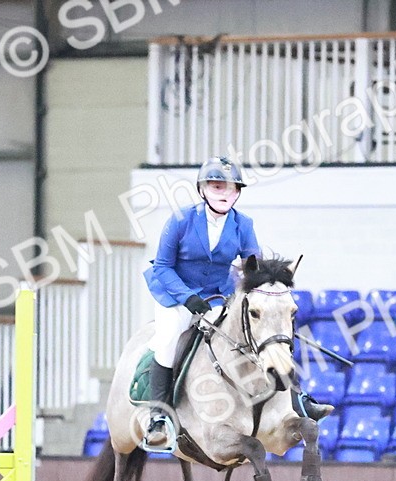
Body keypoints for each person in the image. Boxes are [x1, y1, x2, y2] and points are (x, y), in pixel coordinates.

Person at [142, 156, 332, 447]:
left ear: (237, 193)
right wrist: (186, 297)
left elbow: (251, 267)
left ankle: (297, 400)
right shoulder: (180, 220)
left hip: (216, 294)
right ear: (203, 190)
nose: (223, 193)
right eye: (216, 186)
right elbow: (163, 267)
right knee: (168, 338)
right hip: (175, 293)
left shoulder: (243, 224)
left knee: (258, 337)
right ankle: (158, 415)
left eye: (230, 188)